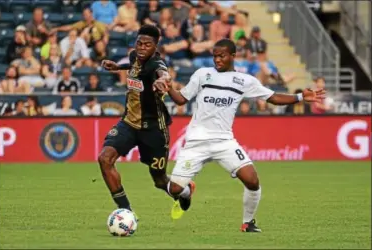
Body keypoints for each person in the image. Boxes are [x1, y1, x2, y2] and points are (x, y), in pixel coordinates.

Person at [153, 38, 326, 232]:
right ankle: (186, 192)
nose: (217, 60)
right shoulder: (202, 74)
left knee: (252, 180)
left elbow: (273, 97)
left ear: (233, 56)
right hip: (196, 142)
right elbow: (181, 99)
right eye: (215, 56)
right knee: (175, 189)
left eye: (222, 56)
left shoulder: (244, 80)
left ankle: (248, 222)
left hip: (224, 141)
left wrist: (301, 97)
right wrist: (169, 89)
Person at [97, 25, 175, 215]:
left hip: (154, 129)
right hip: (129, 123)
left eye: (147, 45)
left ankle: (185, 191)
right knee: (104, 159)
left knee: (159, 180)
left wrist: (162, 81)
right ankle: (126, 211)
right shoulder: (134, 57)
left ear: (155, 47)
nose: (141, 48)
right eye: (139, 43)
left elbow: (164, 73)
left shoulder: (157, 64)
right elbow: (133, 66)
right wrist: (117, 67)